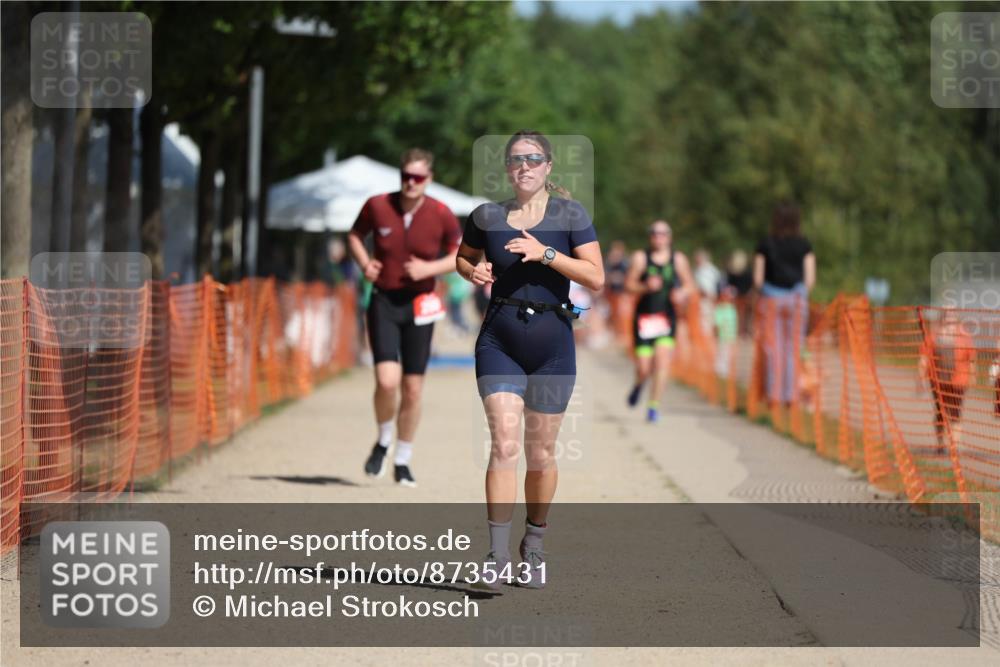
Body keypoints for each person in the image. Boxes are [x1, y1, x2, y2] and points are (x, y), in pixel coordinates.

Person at [456, 130, 603, 590]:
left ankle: (533, 547)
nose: (525, 166)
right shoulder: (487, 216)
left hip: (552, 344)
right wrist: (473, 269)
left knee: (540, 454)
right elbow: (462, 258)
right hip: (499, 338)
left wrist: (547, 254)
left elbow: (595, 277)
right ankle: (497, 554)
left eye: (534, 159)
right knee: (503, 444)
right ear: (506, 167)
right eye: (517, 159)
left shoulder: (570, 215)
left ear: (548, 167)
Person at [347, 148, 462, 487]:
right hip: (383, 300)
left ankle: (403, 458)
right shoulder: (378, 205)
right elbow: (354, 236)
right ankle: (384, 439)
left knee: (412, 389)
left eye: (418, 178)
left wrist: (430, 268)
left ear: (429, 180)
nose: (411, 183)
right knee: (386, 381)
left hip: (420, 305)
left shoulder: (441, 213)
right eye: (406, 177)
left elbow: (461, 255)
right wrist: (364, 263)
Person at [624, 220, 695, 423]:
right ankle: (639, 384)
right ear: (650, 236)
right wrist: (645, 286)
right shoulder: (640, 258)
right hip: (644, 320)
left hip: (666, 320)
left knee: (662, 361)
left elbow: (691, 285)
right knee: (644, 368)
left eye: (663, 233)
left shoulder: (678, 259)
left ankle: (653, 406)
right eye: (655, 233)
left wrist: (682, 292)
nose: (659, 237)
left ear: (670, 237)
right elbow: (629, 285)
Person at [753, 202, 816, 409]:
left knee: (773, 350)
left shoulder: (766, 243)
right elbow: (809, 279)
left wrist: (769, 291)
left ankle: (774, 396)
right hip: (796, 300)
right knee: (793, 349)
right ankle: (791, 397)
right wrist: (798, 294)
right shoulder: (804, 244)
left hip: (771, 299)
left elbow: (758, 279)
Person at [919, 309, 976, 455]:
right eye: (946, 315)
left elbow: (971, 357)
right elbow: (924, 357)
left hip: (958, 381)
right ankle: (940, 444)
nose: (949, 318)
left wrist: (973, 376)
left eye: (952, 315)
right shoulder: (934, 335)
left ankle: (954, 446)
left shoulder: (964, 335)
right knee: (940, 413)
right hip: (938, 381)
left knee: (955, 413)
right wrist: (921, 378)